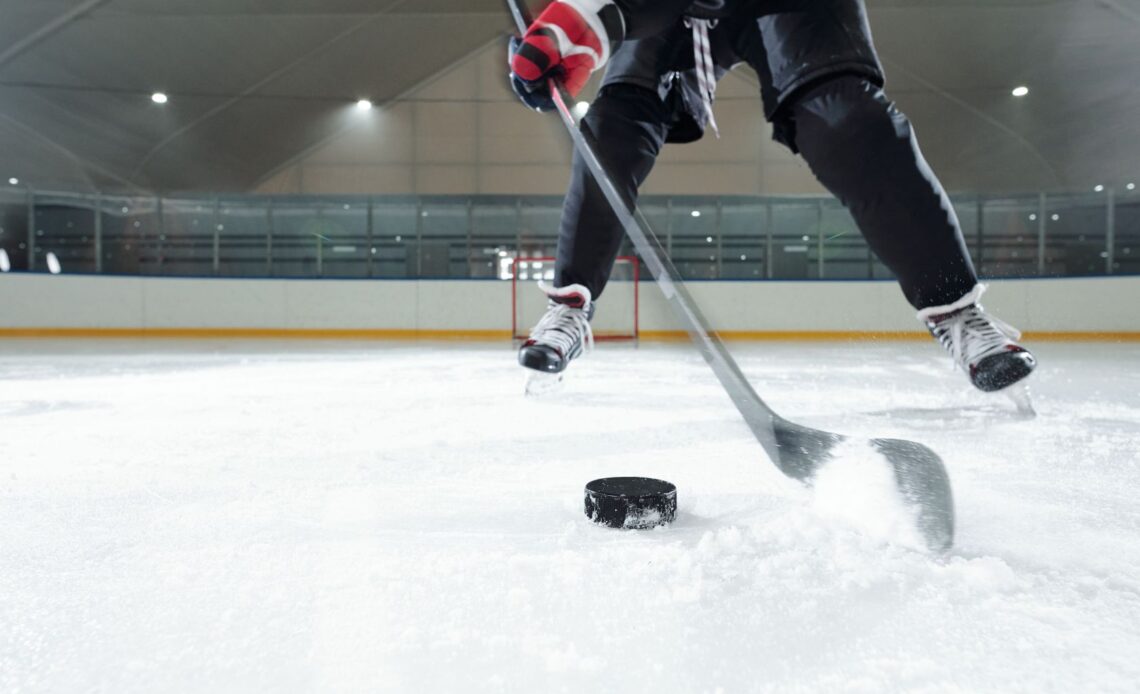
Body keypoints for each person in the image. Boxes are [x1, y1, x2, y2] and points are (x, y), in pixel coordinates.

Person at [508, 0, 1036, 393]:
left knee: (848, 121)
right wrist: (561, 33)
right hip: (674, 12)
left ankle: (956, 313)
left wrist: (587, 21)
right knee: (612, 128)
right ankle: (570, 305)